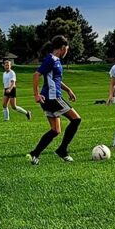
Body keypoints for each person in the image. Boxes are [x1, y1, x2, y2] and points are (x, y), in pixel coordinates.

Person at [28, 35, 81, 165]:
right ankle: (62, 150)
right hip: (52, 98)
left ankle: (35, 154)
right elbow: (36, 75)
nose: (67, 51)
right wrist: (36, 94)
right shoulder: (51, 60)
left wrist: (68, 90)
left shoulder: (55, 60)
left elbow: (56, 80)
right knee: (76, 119)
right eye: (67, 49)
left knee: (55, 130)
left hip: (48, 99)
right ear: (63, 47)